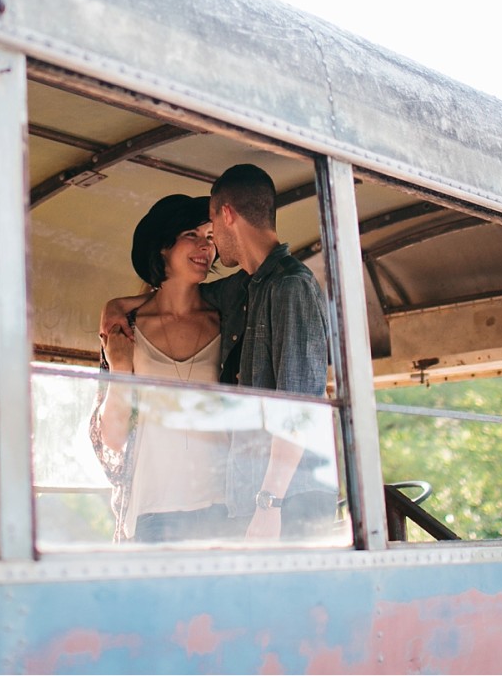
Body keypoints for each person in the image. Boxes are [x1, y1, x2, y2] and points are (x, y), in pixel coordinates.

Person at [99, 163, 335, 542]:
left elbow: (301, 407)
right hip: (195, 505)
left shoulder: (279, 289)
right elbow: (179, 295)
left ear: (226, 215)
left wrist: (268, 504)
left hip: (268, 503)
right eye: (192, 234)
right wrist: (115, 311)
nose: (207, 245)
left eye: (210, 230)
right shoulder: (244, 291)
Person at [88, 194, 232, 543]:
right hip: (154, 510)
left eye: (211, 237)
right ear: (163, 246)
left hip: (223, 507)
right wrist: (121, 368)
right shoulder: (128, 326)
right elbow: (113, 437)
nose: (205, 247)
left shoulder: (228, 319)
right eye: (191, 235)